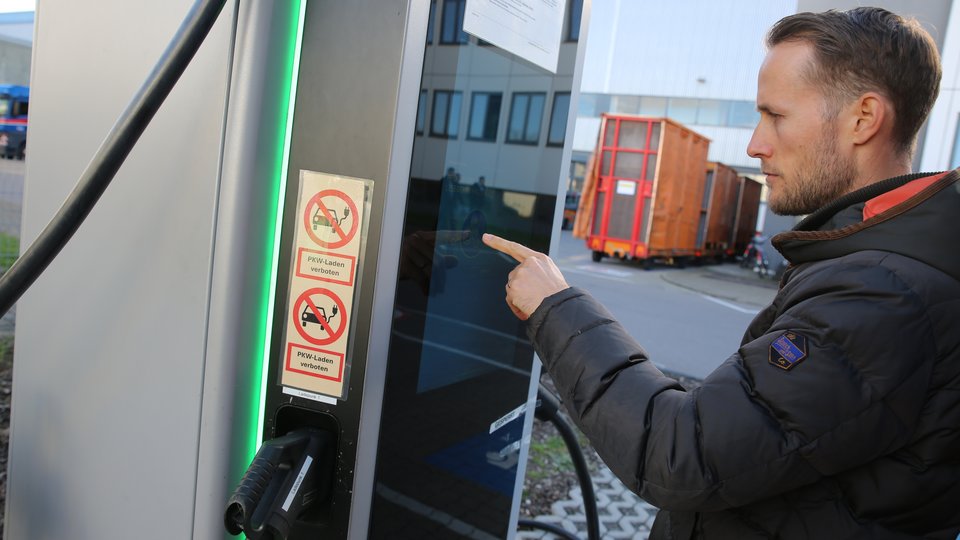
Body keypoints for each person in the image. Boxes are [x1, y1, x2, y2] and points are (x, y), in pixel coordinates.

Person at [483, 8, 959, 539]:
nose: (755, 144)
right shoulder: (882, 267)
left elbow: (680, 454)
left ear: (864, 118)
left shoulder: (884, 294)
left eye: (775, 115)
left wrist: (557, 309)